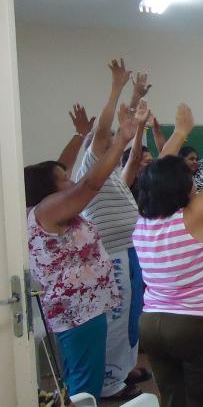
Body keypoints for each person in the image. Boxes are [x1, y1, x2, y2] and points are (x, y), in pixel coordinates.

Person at [25, 100, 146, 399]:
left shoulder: (45, 205)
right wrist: (121, 141)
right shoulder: (49, 209)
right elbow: (90, 184)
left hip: (82, 307)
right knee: (85, 377)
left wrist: (80, 135)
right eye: (64, 180)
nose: (70, 179)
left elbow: (57, 170)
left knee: (82, 370)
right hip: (77, 311)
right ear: (49, 190)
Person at [133, 96, 203, 407]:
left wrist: (181, 132)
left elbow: (156, 174)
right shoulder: (192, 218)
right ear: (182, 189)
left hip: (152, 325)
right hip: (199, 326)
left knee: (172, 399)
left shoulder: (143, 221)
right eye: (190, 182)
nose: (195, 185)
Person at [73, 60, 151, 400]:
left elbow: (131, 156)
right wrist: (119, 87)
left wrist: (137, 110)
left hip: (130, 252)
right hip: (113, 254)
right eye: (107, 142)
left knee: (131, 318)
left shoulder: (112, 175)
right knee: (117, 319)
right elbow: (106, 130)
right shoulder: (92, 165)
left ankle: (123, 370)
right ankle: (108, 384)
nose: (114, 143)